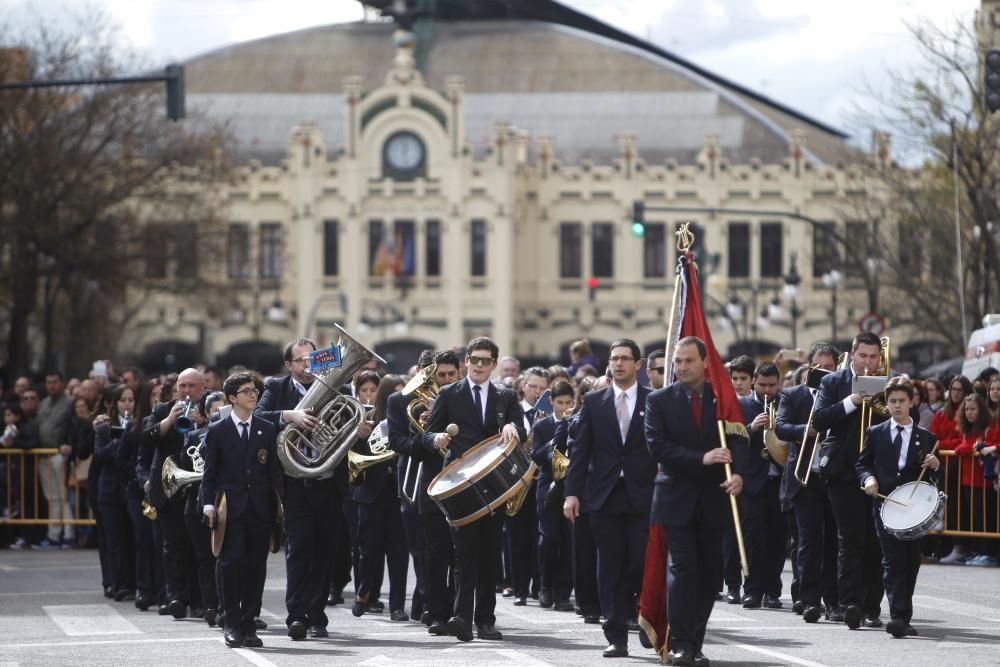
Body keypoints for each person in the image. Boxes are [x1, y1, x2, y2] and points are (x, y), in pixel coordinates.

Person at [644, 336, 746, 667]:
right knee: (682, 569)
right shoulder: (659, 400)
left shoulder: (722, 400)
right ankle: (682, 644)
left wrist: (739, 474)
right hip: (675, 497)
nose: (682, 367)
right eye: (678, 361)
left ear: (705, 362)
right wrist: (701, 458)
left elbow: (739, 440)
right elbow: (657, 447)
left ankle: (696, 641)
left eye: (689, 360)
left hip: (714, 499)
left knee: (709, 576)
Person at [422, 337, 526, 642]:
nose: (479, 365)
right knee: (464, 554)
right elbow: (428, 434)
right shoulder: (449, 393)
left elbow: (520, 426)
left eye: (485, 360)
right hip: (458, 485)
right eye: (474, 359)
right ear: (466, 361)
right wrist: (438, 438)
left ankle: (486, 620)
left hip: (494, 486)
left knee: (490, 554)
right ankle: (462, 618)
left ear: (494, 364)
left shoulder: (505, 396)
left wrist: (513, 428)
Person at [564, 338, 654, 659]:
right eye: (614, 359)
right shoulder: (594, 401)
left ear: (638, 365)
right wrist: (572, 493)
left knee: (639, 564)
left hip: (643, 496)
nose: (618, 364)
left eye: (625, 359)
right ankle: (615, 634)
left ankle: (644, 620)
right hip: (603, 497)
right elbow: (580, 452)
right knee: (610, 567)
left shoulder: (653, 400)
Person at [255, 337, 338, 640]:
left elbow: (345, 424)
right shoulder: (277, 388)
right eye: (300, 360)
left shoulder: (334, 387)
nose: (307, 365)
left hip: (327, 483)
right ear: (288, 364)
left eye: (311, 359)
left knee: (325, 552)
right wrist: (288, 416)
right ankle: (297, 615)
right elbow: (257, 416)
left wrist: (360, 430)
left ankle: (317, 614)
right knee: (300, 551)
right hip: (296, 484)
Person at [201, 372, 283, 649]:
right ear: (232, 398)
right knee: (231, 565)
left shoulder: (265, 428)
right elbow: (209, 475)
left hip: (260, 509)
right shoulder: (218, 430)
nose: (253, 395)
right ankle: (232, 624)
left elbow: (273, 473)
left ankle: (249, 624)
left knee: (256, 568)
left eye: (255, 390)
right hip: (230, 510)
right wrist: (209, 505)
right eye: (246, 391)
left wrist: (278, 507)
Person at [812, 332, 886, 630]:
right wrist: (851, 402)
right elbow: (819, 420)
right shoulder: (833, 382)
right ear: (852, 355)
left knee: (875, 541)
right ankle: (849, 602)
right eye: (863, 356)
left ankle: (872, 606)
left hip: (876, 472)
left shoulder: (886, 383)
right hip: (842, 472)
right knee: (850, 539)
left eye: (873, 357)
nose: (868, 363)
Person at [857, 377, 940, 638]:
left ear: (911, 401)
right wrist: (868, 479)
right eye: (892, 401)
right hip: (886, 506)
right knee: (893, 561)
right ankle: (898, 616)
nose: (896, 406)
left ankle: (904, 615)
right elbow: (862, 464)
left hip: (914, 510)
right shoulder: (876, 433)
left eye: (901, 401)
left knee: (911, 561)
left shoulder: (926, 437)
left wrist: (936, 465)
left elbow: (931, 480)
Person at [394, 350, 461, 636]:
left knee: (463, 555)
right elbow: (399, 441)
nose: (444, 381)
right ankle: (437, 612)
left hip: (463, 482)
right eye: (439, 376)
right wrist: (428, 434)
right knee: (434, 554)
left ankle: (461, 611)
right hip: (429, 483)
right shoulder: (403, 401)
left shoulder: (465, 397)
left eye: (449, 375)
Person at [775, 343, 841, 624]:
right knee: (809, 541)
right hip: (805, 476)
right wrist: (806, 429)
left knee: (833, 543)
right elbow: (780, 427)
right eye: (818, 367)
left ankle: (833, 601)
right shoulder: (794, 395)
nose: (823, 372)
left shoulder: (843, 395)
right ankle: (810, 599)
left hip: (834, 476)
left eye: (829, 367)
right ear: (809, 367)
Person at [141, 368, 205, 620]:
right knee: (172, 547)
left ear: (203, 388)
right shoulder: (161, 409)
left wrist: (205, 422)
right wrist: (168, 420)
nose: (186, 391)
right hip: (169, 488)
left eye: (192, 386)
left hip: (197, 488)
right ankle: (174, 597)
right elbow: (145, 439)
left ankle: (199, 600)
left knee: (198, 548)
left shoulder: (210, 407)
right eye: (182, 385)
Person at [352, 374, 409, 622]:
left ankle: (396, 605)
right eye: (396, 393)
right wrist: (360, 437)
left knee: (398, 553)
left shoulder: (409, 421)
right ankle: (364, 592)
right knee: (369, 550)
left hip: (398, 494)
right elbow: (353, 458)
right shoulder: (368, 420)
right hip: (371, 494)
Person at [738, 362, 787, 609]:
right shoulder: (742, 405)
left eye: (772, 385)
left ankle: (772, 589)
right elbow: (731, 439)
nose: (767, 391)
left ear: (778, 383)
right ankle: (752, 590)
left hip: (779, 479)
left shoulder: (785, 403)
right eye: (762, 385)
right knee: (752, 537)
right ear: (754, 382)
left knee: (778, 538)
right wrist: (751, 428)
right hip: (752, 482)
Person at [530, 380, 576, 612]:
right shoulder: (542, 425)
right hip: (548, 488)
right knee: (548, 539)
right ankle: (545, 586)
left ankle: (564, 593)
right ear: (551, 402)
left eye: (569, 402)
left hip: (570, 489)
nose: (564, 407)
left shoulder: (577, 422)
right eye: (560, 403)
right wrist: (555, 441)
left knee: (569, 542)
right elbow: (536, 455)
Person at [93, 384, 137, 601]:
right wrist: (117, 442)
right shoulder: (104, 426)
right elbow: (100, 455)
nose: (127, 404)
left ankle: (131, 582)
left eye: (130, 400)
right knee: (114, 539)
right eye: (123, 400)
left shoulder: (137, 424)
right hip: (109, 489)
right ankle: (116, 583)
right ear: (115, 403)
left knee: (131, 537)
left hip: (128, 487)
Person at [37, 371, 75, 548]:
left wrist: (67, 446)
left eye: (54, 382)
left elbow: (73, 426)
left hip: (61, 454)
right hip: (43, 454)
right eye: (48, 382)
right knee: (51, 497)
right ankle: (53, 535)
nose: (51, 385)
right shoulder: (43, 403)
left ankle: (68, 533)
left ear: (62, 382)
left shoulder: (69, 402)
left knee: (63, 496)